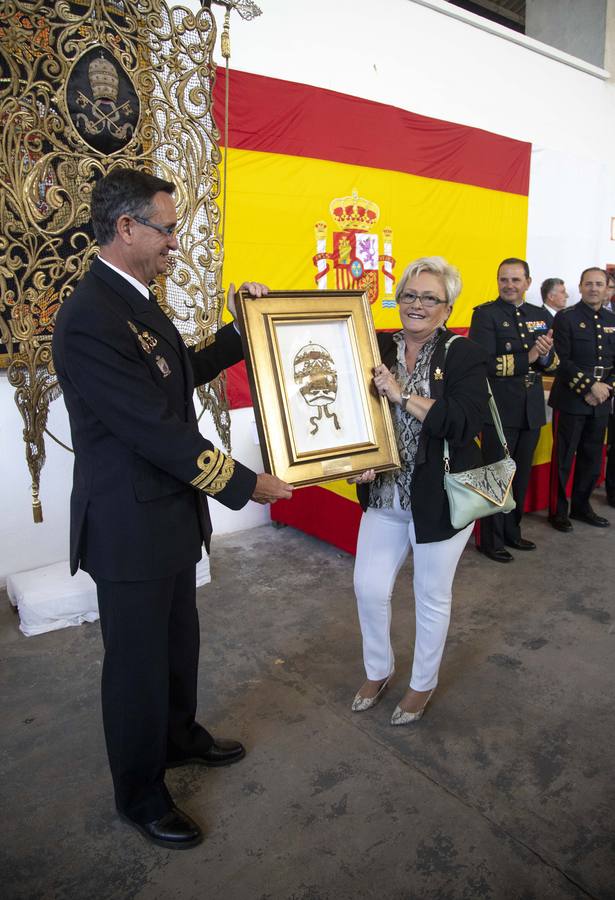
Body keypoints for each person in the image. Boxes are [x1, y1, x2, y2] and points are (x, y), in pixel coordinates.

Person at [52, 168, 292, 849]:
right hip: (128, 525)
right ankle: (140, 793)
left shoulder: (131, 299)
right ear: (126, 228)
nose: (175, 244)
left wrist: (240, 330)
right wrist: (247, 484)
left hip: (165, 514)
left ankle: (179, 736)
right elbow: (152, 430)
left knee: (177, 642)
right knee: (135, 666)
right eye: (167, 229)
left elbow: (172, 370)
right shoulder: (90, 317)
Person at [348, 256, 488, 725]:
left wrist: (402, 394)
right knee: (367, 588)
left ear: (448, 308)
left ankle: (421, 684)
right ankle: (378, 670)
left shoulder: (462, 354)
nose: (417, 304)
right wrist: (359, 462)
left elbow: (463, 424)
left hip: (439, 499)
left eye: (430, 298)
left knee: (431, 595)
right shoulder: (377, 347)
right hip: (385, 495)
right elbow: (359, 418)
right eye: (410, 295)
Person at [469, 258, 556, 562]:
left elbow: (552, 362)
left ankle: (511, 532)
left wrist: (543, 358)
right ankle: (489, 541)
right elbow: (482, 364)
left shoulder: (539, 314)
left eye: (516, 280)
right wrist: (530, 355)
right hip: (499, 411)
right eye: (503, 279)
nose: (509, 285)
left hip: (531, 410)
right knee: (496, 477)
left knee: (519, 478)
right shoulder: (485, 315)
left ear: (528, 283)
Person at [548, 267, 615, 531]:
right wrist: (589, 387)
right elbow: (561, 361)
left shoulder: (612, 320)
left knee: (592, 457)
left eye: (599, 284)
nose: (594, 288)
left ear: (607, 287)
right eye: (589, 284)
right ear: (581, 286)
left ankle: (581, 506)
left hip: (601, 401)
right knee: (564, 457)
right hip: (571, 399)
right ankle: (558, 511)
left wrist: (606, 388)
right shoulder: (566, 318)